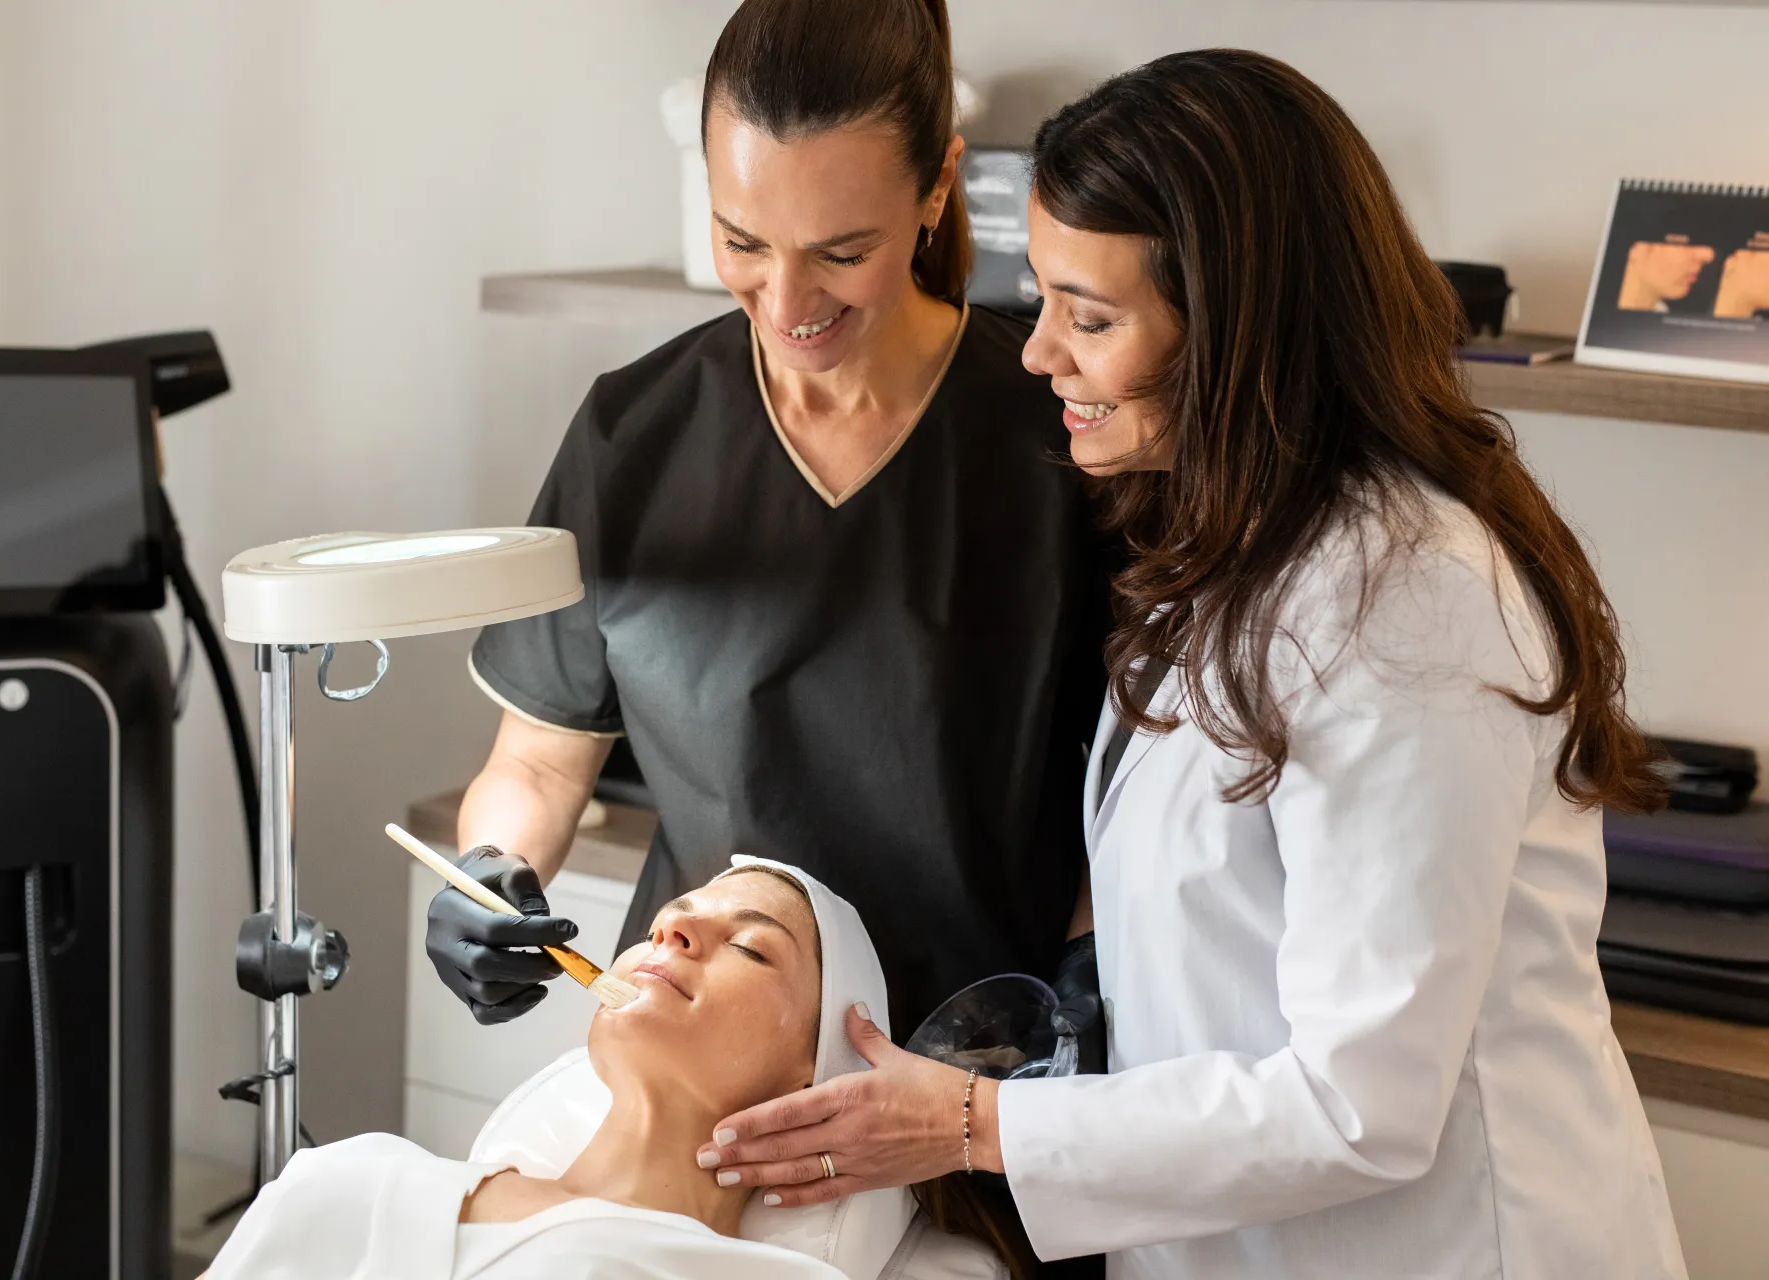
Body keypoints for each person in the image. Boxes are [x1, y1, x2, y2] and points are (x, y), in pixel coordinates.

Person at [692, 51, 1688, 1278]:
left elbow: (1359, 1102)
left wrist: (974, 1124)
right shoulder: (1232, 548)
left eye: (1091, 318)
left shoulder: (1405, 602)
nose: (1038, 353)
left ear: (1237, 331)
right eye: (1044, 301)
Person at [425, 0, 1106, 1118]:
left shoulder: (1054, 436)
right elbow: (542, 764)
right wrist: (491, 877)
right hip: (705, 1071)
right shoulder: (633, 436)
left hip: (969, 1085)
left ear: (936, 189)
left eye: (842, 253)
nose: (786, 304)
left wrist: (1085, 994)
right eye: (742, 242)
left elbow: (1125, 797)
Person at [205, 862, 995, 1278]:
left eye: (752, 947)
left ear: (813, 1078)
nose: (676, 928)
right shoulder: (350, 1178)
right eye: (663, 922)